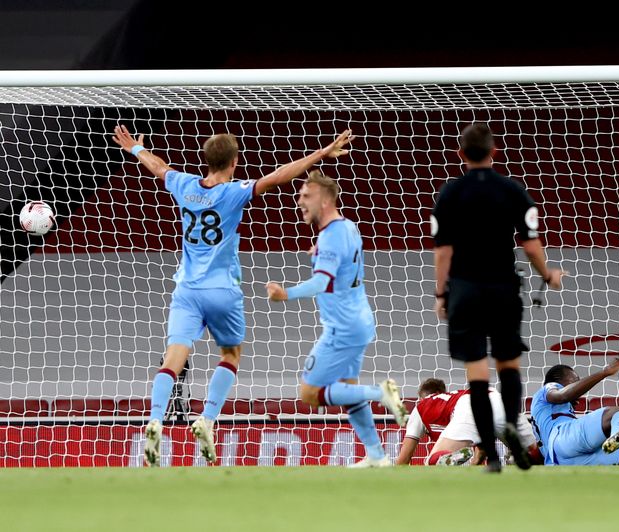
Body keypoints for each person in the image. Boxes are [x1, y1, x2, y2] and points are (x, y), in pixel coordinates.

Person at [112, 125, 353, 467]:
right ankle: (207, 420)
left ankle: (154, 421)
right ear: (234, 162)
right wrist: (321, 153)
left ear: (206, 160)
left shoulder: (184, 185)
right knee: (231, 353)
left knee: (174, 357)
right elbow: (278, 176)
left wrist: (136, 149)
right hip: (222, 290)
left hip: (187, 290)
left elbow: (159, 167)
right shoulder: (234, 192)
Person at [431, 122, 565, 472]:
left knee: (477, 376)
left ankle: (490, 455)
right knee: (508, 367)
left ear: (461, 154)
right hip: (503, 290)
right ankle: (510, 428)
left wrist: (441, 293)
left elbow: (443, 250)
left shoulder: (449, 193)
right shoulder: (513, 190)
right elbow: (530, 243)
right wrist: (548, 274)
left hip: (465, 291)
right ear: (494, 152)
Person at [267, 170, 408, 468]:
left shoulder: (331, 236)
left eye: (307, 195)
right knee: (346, 388)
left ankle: (380, 392)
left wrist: (285, 294)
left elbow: (321, 283)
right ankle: (377, 456)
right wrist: (319, 254)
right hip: (359, 319)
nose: (299, 201)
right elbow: (341, 263)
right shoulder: (348, 227)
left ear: (326, 199)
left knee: (310, 392)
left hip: (341, 327)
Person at [395, 378, 538, 466]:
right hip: (499, 399)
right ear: (443, 391)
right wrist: (473, 466)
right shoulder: (454, 397)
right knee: (537, 456)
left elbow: (404, 458)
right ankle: (518, 457)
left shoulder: (421, 406)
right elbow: (482, 450)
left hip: (471, 405)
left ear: (421, 397)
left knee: (431, 461)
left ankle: (443, 459)